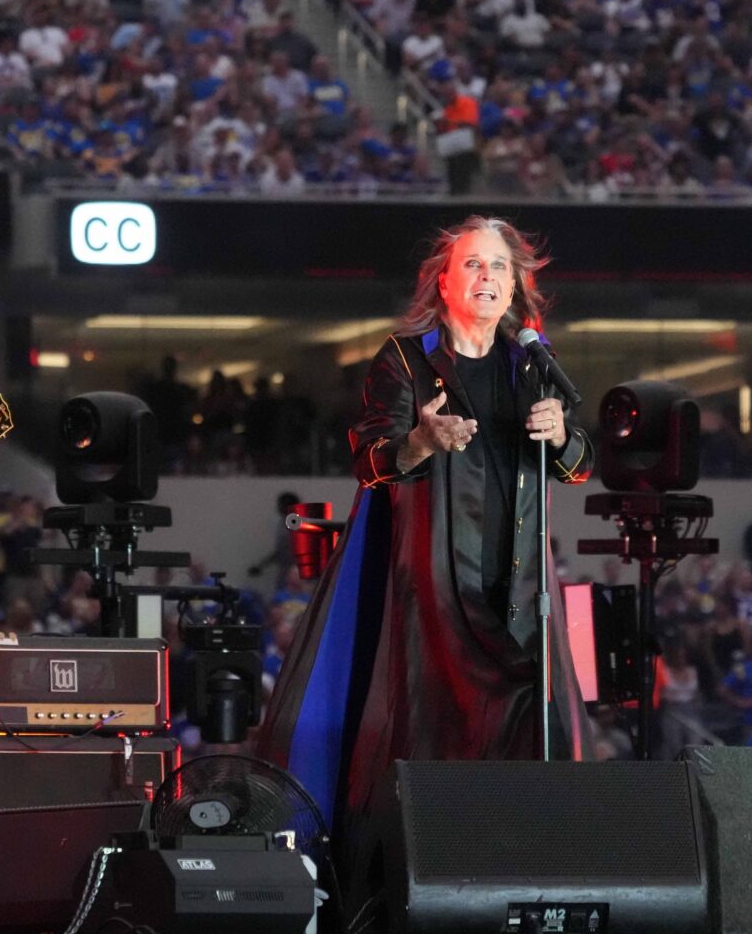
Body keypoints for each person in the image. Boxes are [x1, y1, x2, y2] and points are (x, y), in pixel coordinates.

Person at [255, 217, 594, 933]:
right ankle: (415, 885)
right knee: (434, 724)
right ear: (442, 280)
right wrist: (420, 439)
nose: (488, 278)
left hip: (518, 580)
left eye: (500, 266)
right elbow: (370, 459)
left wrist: (561, 433)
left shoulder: (531, 360)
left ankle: (515, 880)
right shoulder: (407, 360)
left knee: (527, 715)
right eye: (473, 264)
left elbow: (577, 460)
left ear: (518, 284)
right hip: (432, 582)